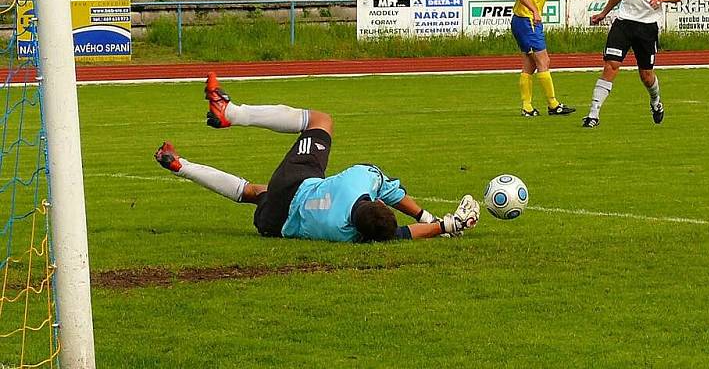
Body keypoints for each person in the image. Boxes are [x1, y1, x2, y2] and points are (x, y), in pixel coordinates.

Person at [154, 73, 480, 242]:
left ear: (376, 203)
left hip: (296, 184)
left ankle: (232, 113)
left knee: (321, 121)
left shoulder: (361, 179)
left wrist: (431, 218)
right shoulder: (353, 235)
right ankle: (180, 165)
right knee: (252, 192)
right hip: (273, 224)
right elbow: (400, 235)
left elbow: (393, 193)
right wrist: (443, 225)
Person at [582, 0, 682, 129]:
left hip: (647, 28)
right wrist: (603, 13)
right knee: (611, 65)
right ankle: (593, 114)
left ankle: (656, 101)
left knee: (646, 75)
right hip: (623, 24)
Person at [511, 0, 576, 118]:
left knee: (530, 64)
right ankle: (553, 104)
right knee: (543, 61)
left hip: (525, 21)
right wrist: (534, 11)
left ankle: (527, 107)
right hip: (527, 21)